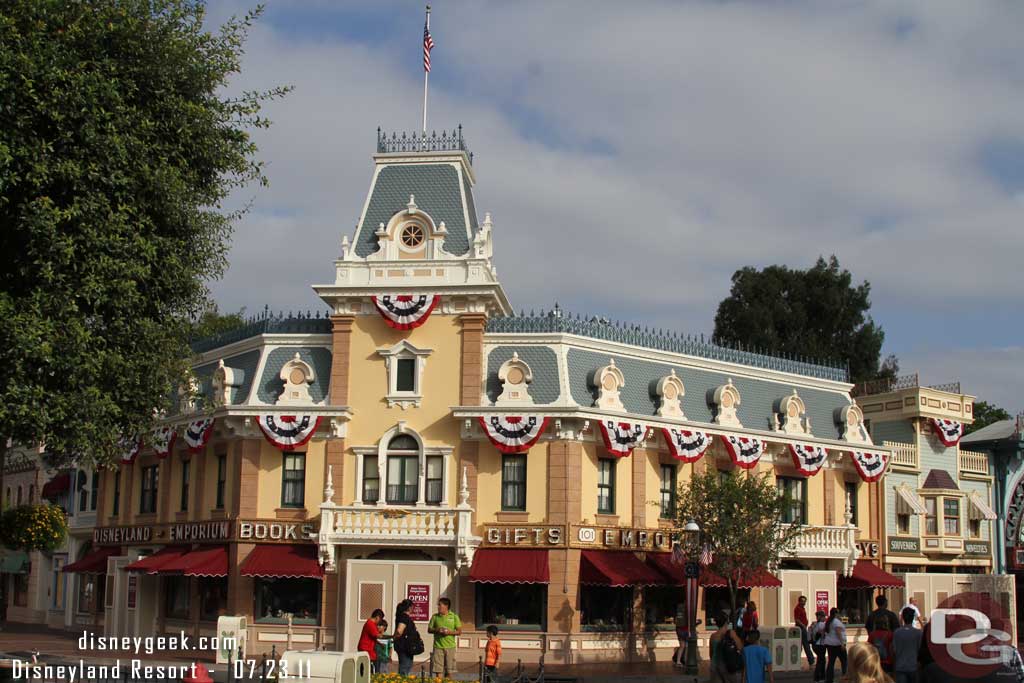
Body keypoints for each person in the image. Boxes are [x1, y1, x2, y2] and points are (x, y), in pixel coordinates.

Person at [427, 597, 462, 678]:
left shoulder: (454, 616)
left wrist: (449, 632)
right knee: (438, 670)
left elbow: (459, 631)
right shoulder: (435, 617)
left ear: (446, 606)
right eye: (438, 605)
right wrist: (437, 630)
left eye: (440, 605)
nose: (438, 607)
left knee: (449, 672)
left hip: (450, 647)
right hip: (438, 647)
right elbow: (429, 630)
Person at [709, 611, 744, 683]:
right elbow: (740, 647)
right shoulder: (731, 633)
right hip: (728, 666)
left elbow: (711, 654)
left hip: (715, 665)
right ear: (726, 622)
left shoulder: (713, 636)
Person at [892, 607, 923, 683]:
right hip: (913, 666)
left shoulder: (897, 632)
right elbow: (920, 650)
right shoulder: (918, 633)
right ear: (913, 618)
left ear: (903, 618)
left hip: (900, 667)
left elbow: (894, 650)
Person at [393, 599, 422, 676]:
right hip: (405, 647)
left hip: (405, 647)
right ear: (409, 607)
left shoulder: (401, 616)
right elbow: (399, 631)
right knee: (405, 668)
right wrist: (395, 638)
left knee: (406, 667)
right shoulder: (404, 617)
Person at [823, 607, 848, 683]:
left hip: (830, 644)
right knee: (844, 660)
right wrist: (842, 643)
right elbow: (838, 632)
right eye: (838, 613)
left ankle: (829, 679)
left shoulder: (829, 621)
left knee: (831, 661)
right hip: (837, 644)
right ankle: (845, 676)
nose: (839, 614)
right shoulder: (836, 622)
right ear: (836, 613)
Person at [358, 608, 385, 673]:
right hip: (366, 649)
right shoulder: (370, 624)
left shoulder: (371, 624)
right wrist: (392, 636)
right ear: (377, 617)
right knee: (368, 670)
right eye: (380, 620)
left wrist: (380, 644)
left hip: (368, 650)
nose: (380, 622)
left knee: (372, 665)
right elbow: (378, 636)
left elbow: (373, 637)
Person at [794, 596, 815, 668]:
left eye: (805, 601)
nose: (804, 603)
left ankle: (801, 662)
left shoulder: (802, 608)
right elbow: (797, 620)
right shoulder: (797, 608)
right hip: (801, 629)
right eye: (803, 601)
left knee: (803, 645)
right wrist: (803, 626)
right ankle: (811, 661)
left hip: (803, 628)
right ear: (799, 601)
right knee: (805, 645)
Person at [809, 610, 828, 683]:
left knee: (820, 661)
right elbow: (823, 634)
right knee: (821, 661)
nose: (824, 618)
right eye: (823, 616)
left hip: (815, 645)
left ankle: (818, 678)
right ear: (819, 617)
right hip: (820, 645)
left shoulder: (815, 624)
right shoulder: (821, 624)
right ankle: (820, 678)